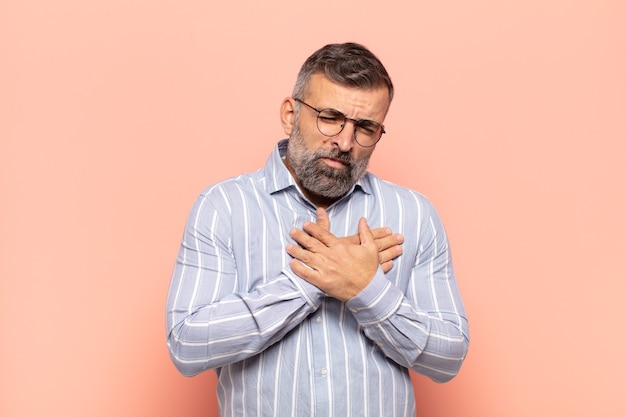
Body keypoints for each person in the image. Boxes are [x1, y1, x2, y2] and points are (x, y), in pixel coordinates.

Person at [166, 42, 469, 417]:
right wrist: (312, 280)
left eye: (365, 127)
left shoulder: (415, 214)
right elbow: (187, 345)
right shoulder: (223, 207)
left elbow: (447, 359)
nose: (344, 142)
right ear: (290, 114)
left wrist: (367, 291)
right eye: (330, 117)